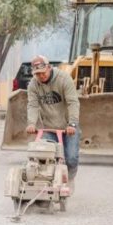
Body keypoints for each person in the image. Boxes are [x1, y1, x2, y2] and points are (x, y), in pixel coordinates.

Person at [25, 55, 81, 185]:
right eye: (37, 74)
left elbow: (73, 102)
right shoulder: (33, 85)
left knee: (71, 158)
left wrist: (72, 123)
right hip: (49, 127)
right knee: (43, 157)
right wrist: (31, 123)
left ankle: (70, 179)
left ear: (49, 67)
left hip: (68, 128)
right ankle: (44, 184)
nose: (41, 76)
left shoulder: (63, 79)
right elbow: (33, 105)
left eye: (43, 73)